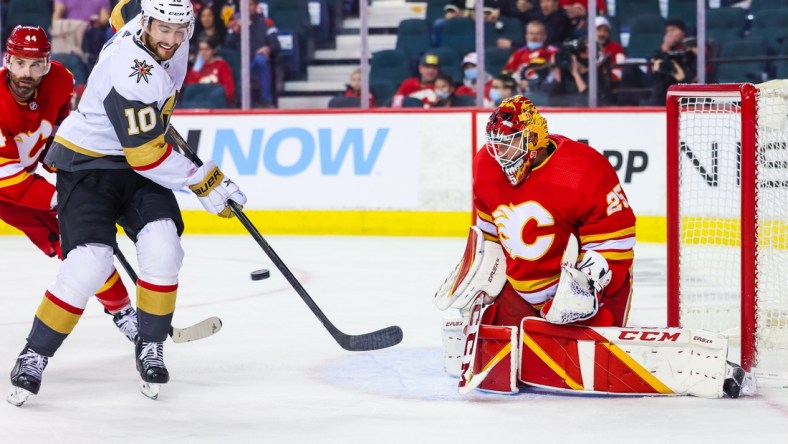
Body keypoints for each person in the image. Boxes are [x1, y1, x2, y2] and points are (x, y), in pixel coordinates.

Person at [8, 0, 247, 406]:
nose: (171, 40)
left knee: (163, 245)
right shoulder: (131, 70)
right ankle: (34, 355)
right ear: (147, 24)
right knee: (90, 262)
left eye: (179, 30)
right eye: (162, 30)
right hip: (89, 164)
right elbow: (146, 156)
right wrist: (207, 181)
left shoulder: (154, 18)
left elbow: (121, 9)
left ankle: (151, 345)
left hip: (138, 159)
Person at [432, 97, 746, 399]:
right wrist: (479, 279)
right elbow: (490, 234)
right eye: (495, 143)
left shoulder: (582, 168)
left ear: (535, 140)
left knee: (588, 352)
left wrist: (583, 290)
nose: (500, 152)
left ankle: (693, 366)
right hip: (523, 285)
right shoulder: (485, 163)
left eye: (511, 142)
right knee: (491, 345)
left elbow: (614, 242)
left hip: (588, 291)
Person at [0, 26, 137, 343]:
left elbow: (62, 126)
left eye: (36, 64)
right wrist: (64, 199)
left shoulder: (60, 80)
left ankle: (124, 313)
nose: (27, 73)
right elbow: (6, 178)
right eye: (20, 63)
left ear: (48, 63)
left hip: (17, 183)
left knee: (76, 242)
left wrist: (65, 162)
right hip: (7, 182)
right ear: (8, 59)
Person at [225, 0, 280, 108]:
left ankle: (266, 101)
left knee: (261, 60)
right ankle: (237, 102)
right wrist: (236, 31)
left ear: (256, 6)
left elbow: (276, 45)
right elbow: (227, 47)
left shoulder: (266, 23)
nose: (247, 8)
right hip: (239, 63)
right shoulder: (235, 24)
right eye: (245, 5)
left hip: (255, 62)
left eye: (250, 5)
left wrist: (267, 48)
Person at [649, 19, 696, 106]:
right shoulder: (666, 48)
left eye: (673, 30)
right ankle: (655, 107)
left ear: (682, 32)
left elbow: (695, 62)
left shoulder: (691, 45)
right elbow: (654, 64)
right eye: (667, 31)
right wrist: (665, 48)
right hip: (668, 80)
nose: (669, 33)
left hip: (687, 80)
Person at [185, 35, 236, 105]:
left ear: (213, 50)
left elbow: (229, 90)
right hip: (197, 104)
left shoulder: (221, 65)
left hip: (216, 104)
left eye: (206, 49)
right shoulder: (196, 67)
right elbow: (189, 90)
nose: (203, 53)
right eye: (201, 49)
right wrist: (195, 70)